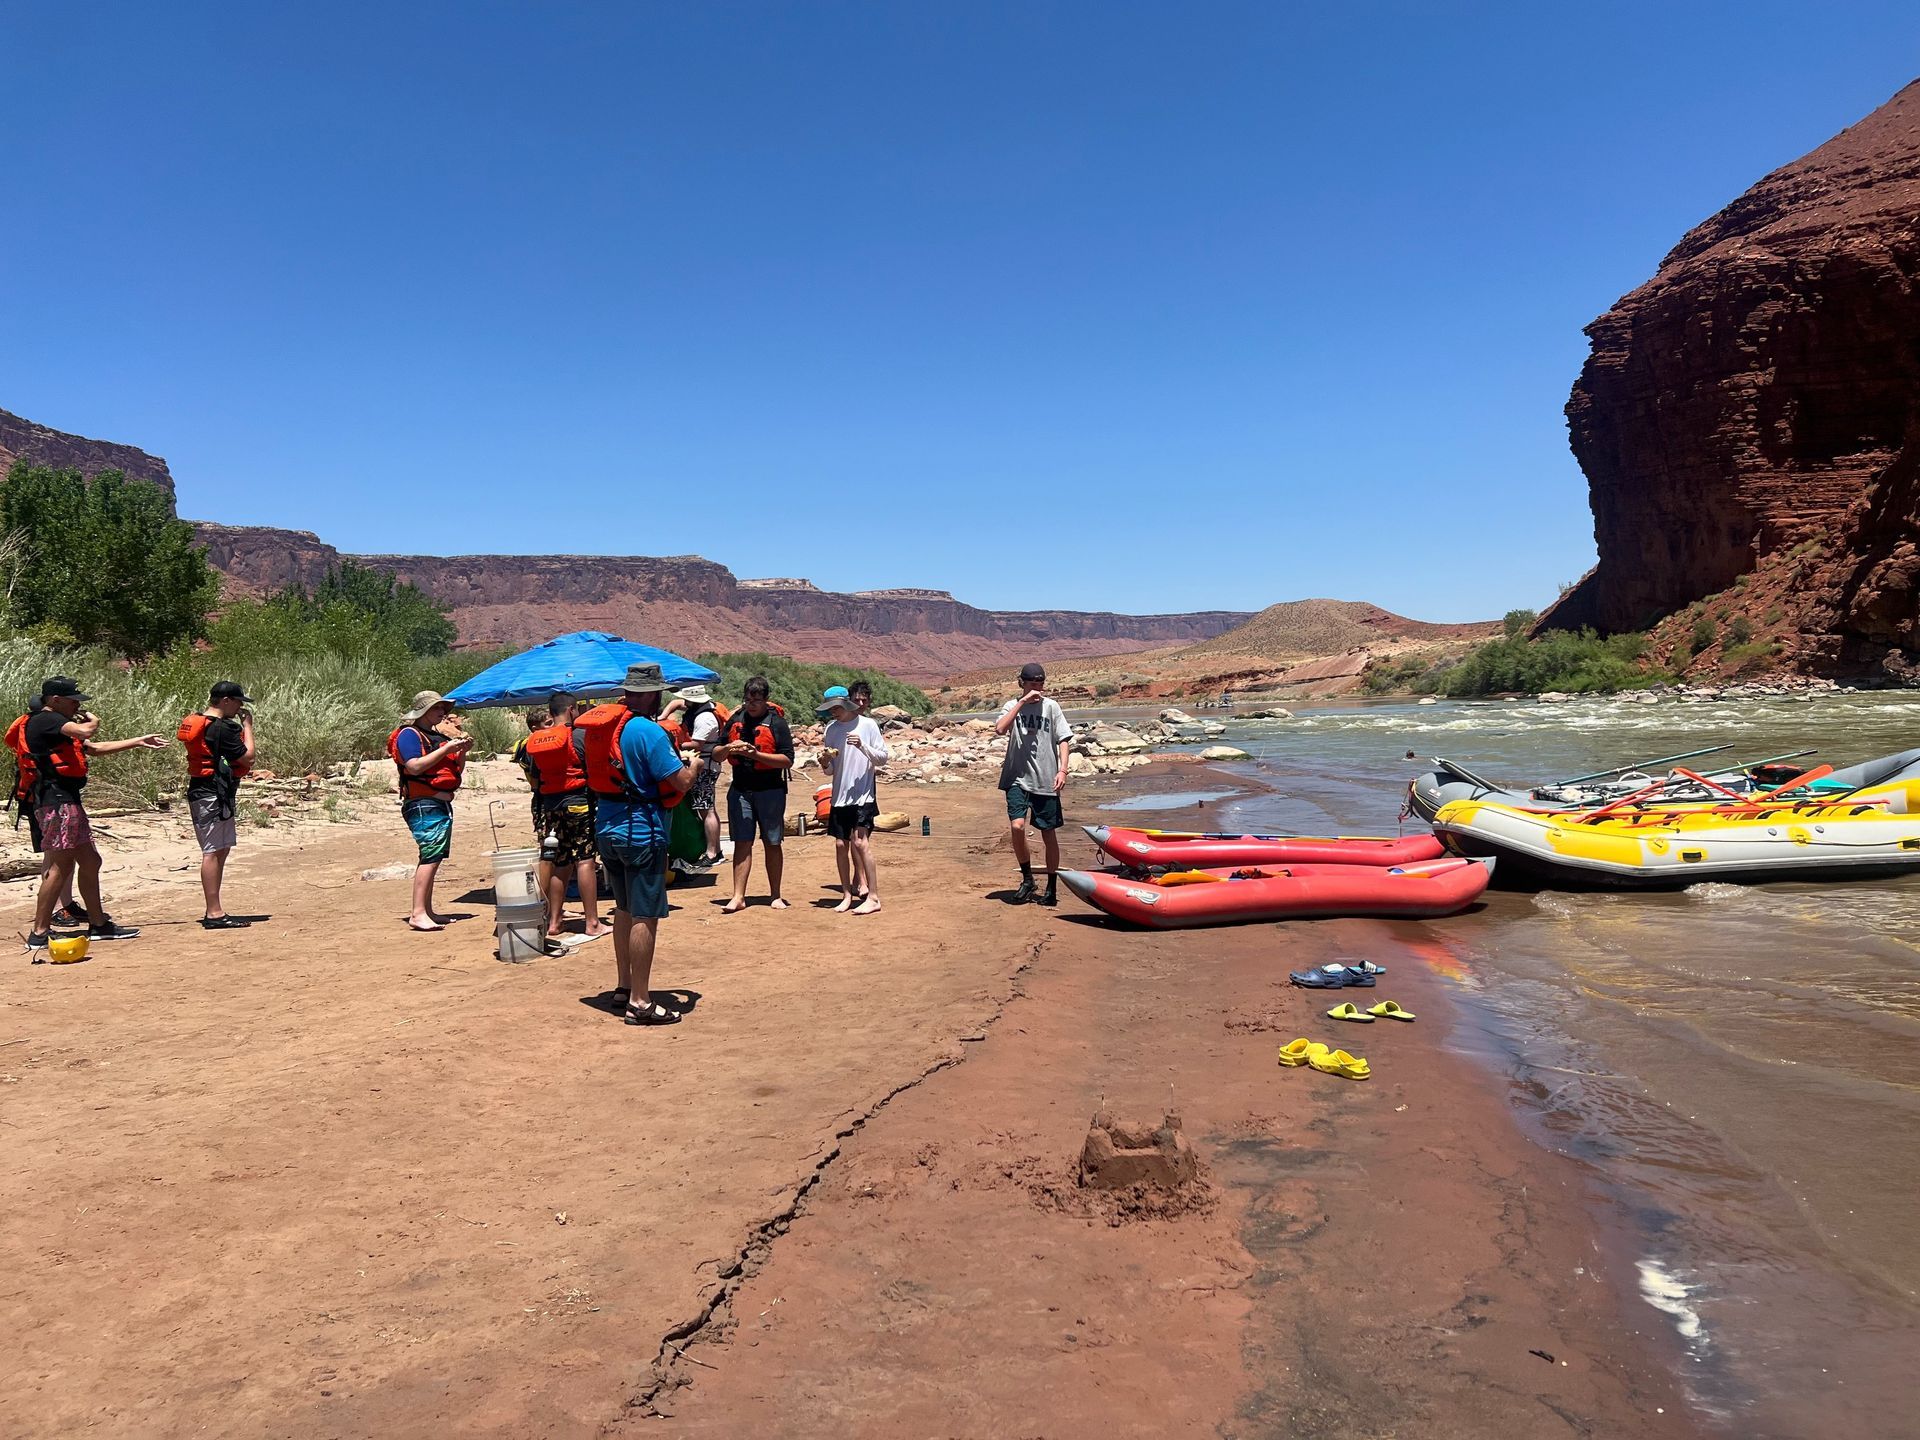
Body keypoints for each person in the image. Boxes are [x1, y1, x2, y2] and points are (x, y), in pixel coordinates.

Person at [583, 663, 699, 1026]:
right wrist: (694, 766)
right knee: (645, 915)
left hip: (607, 828)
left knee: (623, 908)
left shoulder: (602, 730)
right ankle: (640, 1001)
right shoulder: (647, 732)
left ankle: (623, 986)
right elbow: (679, 782)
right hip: (641, 832)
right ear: (651, 694)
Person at [25, 676, 169, 951]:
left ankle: (99, 924)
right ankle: (39, 933)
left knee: (90, 860)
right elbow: (87, 733)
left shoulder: (59, 726)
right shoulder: (46, 720)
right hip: (56, 802)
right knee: (61, 865)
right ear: (55, 700)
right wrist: (93, 720)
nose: (76, 705)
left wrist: (138, 741)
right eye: (73, 700)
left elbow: (94, 749)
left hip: (67, 801)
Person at [522, 694, 604, 940]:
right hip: (578, 803)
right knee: (585, 860)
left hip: (550, 806)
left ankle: (554, 922)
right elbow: (593, 769)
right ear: (570, 710)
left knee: (561, 861)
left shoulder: (537, 741)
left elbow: (535, 777)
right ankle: (592, 923)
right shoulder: (579, 736)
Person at [388, 691, 472, 932]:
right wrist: (446, 750)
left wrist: (461, 752)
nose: (443, 713)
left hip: (437, 803)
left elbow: (455, 769)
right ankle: (417, 913)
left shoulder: (436, 736)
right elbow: (414, 766)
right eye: (438, 709)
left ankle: (426, 910)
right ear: (424, 711)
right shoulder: (409, 735)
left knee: (433, 856)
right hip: (423, 804)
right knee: (430, 856)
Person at [177, 680, 257, 929]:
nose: (239, 707)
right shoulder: (223, 728)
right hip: (212, 793)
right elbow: (248, 757)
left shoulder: (205, 724)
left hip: (207, 791)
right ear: (225, 701)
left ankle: (215, 909)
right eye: (238, 702)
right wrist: (248, 726)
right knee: (213, 851)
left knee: (220, 849)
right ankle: (214, 913)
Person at [994, 662, 1073, 905]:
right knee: (1017, 827)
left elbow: (1063, 739)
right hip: (1017, 777)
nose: (1037, 688)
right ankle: (1028, 878)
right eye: (1032, 684)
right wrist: (1021, 703)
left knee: (1048, 833)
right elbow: (999, 728)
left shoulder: (1052, 707)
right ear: (1022, 683)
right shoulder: (1011, 706)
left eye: (1040, 684)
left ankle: (1051, 887)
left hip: (1046, 779)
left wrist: (1062, 769)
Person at [715, 674, 794, 913]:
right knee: (742, 841)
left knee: (772, 841)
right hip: (740, 789)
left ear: (766, 700)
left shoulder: (777, 724)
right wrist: (729, 747)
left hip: (770, 790)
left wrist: (755, 755)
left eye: (756, 701)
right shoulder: (735, 720)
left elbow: (787, 760)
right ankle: (738, 896)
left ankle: (776, 895)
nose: (751, 704)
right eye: (748, 700)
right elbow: (717, 753)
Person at [7, 697, 83, 927]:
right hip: (44, 798)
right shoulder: (43, 725)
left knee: (61, 855)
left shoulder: (42, 728)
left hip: (41, 797)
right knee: (55, 857)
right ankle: (57, 910)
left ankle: (65, 904)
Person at [818, 685, 888, 915]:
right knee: (840, 845)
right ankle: (847, 895)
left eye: (835, 708)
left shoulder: (867, 725)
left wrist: (862, 745)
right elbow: (830, 771)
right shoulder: (831, 729)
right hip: (839, 796)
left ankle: (874, 896)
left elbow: (882, 758)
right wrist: (825, 761)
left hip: (862, 795)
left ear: (845, 704)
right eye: (830, 709)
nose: (833, 713)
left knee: (860, 842)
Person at [662, 685, 726, 867]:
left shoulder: (704, 718)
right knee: (705, 807)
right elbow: (676, 702)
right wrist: (663, 716)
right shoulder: (699, 710)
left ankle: (712, 852)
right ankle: (715, 849)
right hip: (703, 767)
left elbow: (697, 744)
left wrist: (674, 744)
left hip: (705, 768)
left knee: (706, 809)